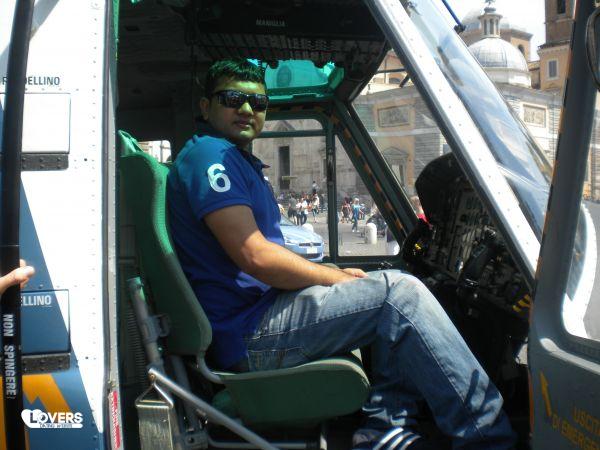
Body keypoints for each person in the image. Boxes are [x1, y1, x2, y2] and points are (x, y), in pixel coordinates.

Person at [167, 59, 515, 450]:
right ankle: (489, 440)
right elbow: (256, 256)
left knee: (384, 285)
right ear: (206, 106)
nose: (247, 109)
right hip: (250, 334)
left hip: (257, 316)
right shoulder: (211, 158)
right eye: (233, 99)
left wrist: (333, 272)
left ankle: (385, 428)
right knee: (400, 295)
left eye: (258, 103)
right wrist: (335, 277)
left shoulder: (236, 159)